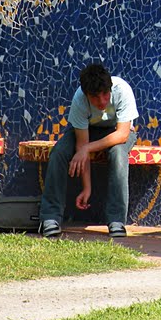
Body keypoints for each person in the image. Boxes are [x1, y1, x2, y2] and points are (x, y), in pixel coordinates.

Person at [38, 63, 138, 238]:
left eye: (105, 95)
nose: (102, 101)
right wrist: (87, 189)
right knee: (59, 152)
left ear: (110, 88)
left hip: (116, 131)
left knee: (118, 154)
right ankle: (50, 218)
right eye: (95, 97)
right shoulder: (79, 99)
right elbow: (81, 144)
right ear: (86, 94)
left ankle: (116, 220)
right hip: (87, 131)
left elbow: (122, 135)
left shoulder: (122, 90)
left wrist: (87, 149)